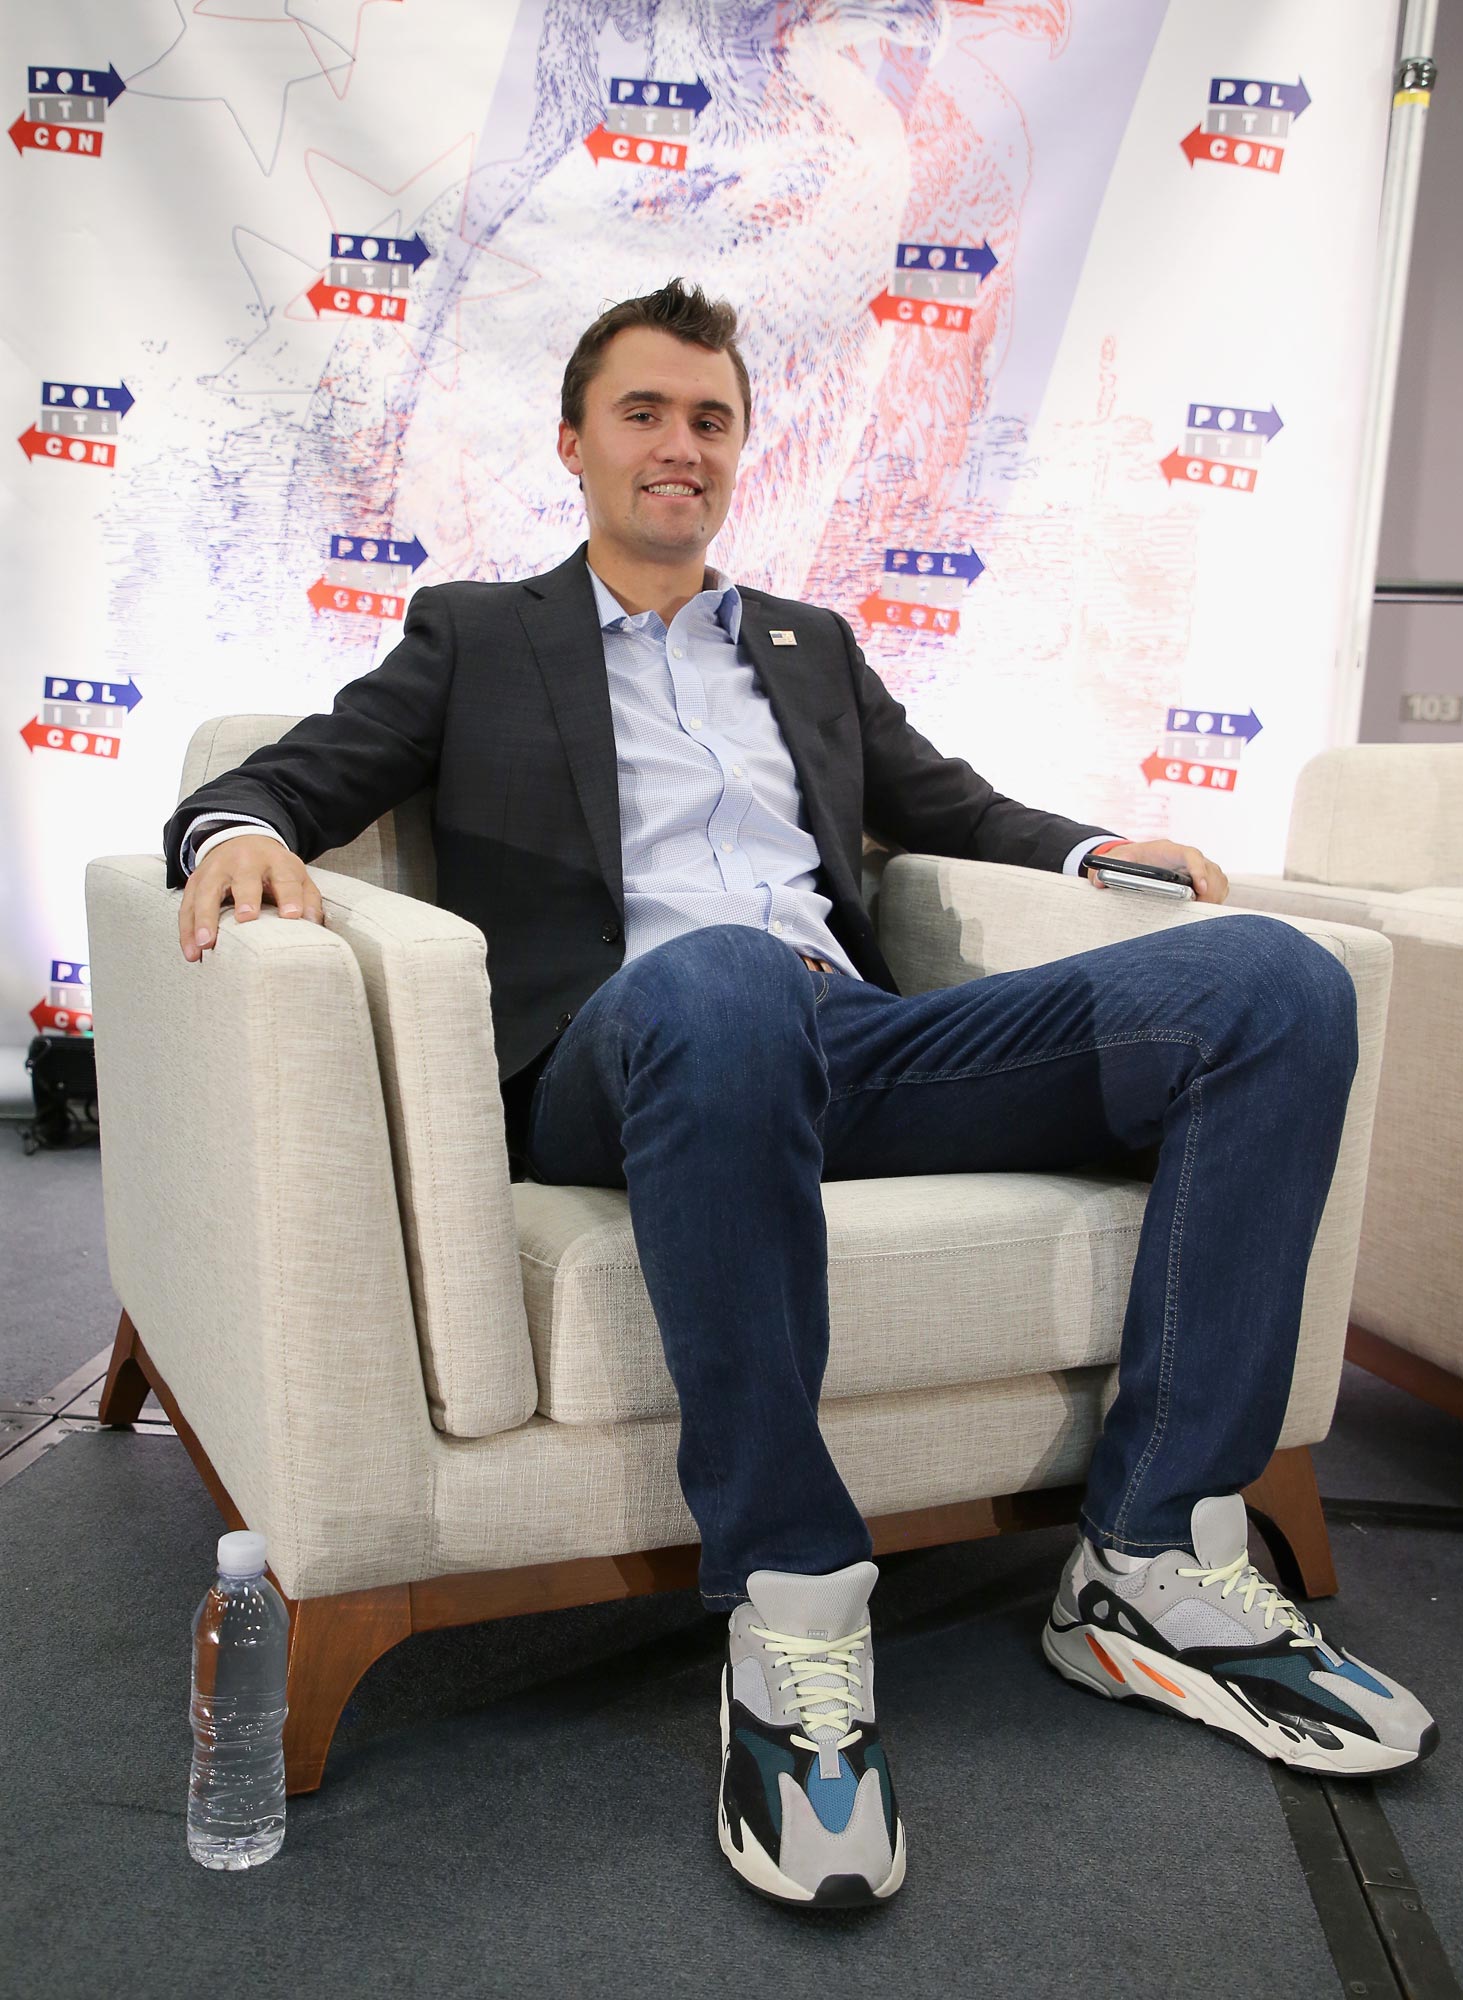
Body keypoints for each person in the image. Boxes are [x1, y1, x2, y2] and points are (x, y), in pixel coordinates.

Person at [166, 278, 1437, 1911]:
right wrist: (238, 833)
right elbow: (291, 775)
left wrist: (1089, 848)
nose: (678, 445)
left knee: (1275, 982)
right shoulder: (477, 633)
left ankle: (1150, 1554)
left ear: (739, 449)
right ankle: (794, 1599)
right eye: (642, 412)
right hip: (628, 1055)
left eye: (710, 419)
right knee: (724, 978)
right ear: (573, 442)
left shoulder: (807, 645)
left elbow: (945, 803)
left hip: (851, 1046)